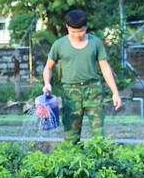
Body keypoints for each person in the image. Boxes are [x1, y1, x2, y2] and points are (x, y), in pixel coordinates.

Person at [42, 10, 122, 143]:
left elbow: (105, 67)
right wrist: (47, 83)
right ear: (67, 27)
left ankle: (97, 161)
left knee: (98, 134)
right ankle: (71, 161)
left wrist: (115, 92)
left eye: (81, 31)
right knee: (71, 135)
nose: (77, 35)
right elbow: (48, 67)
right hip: (70, 92)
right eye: (73, 32)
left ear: (86, 27)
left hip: (93, 90)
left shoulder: (95, 43)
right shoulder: (59, 44)